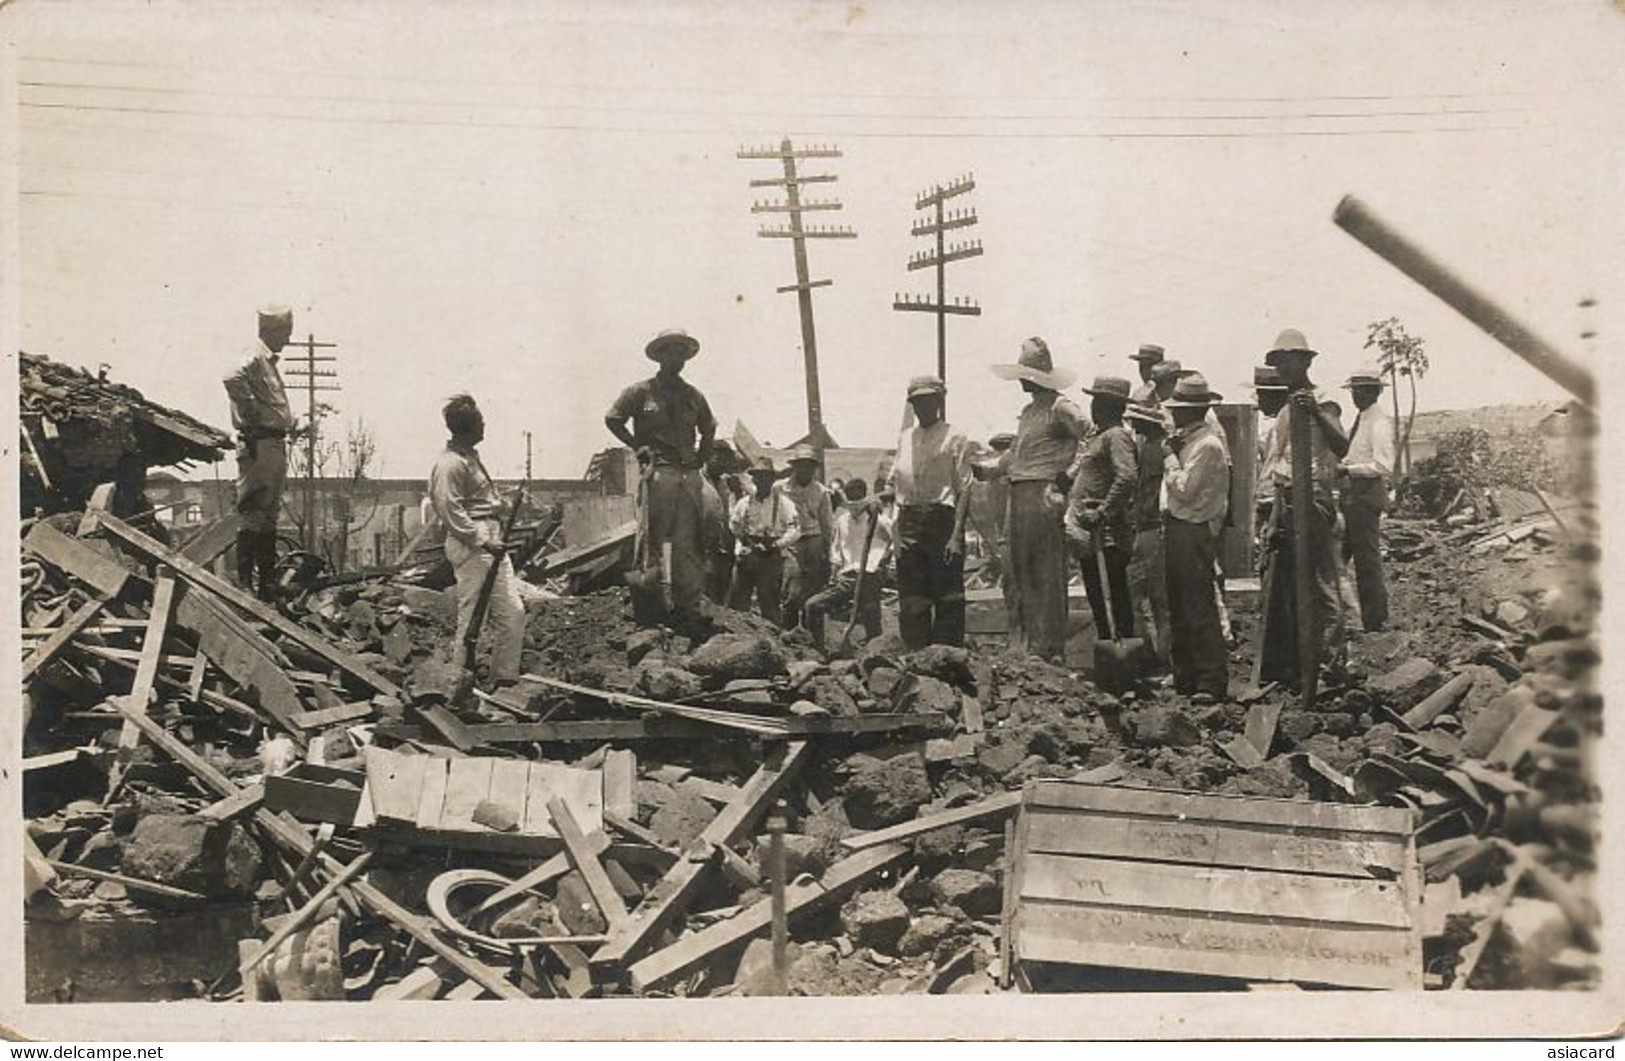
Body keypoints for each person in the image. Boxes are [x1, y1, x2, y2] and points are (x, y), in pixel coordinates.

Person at [605, 328, 716, 627]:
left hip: (688, 475)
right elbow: (613, 418)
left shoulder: (693, 395)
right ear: (660, 355)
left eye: (681, 352)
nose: (676, 358)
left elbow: (710, 427)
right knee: (650, 540)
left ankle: (687, 611)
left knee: (689, 544)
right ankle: (650, 615)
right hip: (658, 472)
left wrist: (701, 459)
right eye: (670, 351)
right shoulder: (641, 391)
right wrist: (636, 446)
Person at [984, 338, 1085, 662]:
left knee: (1047, 569)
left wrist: (1067, 475)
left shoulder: (1061, 407)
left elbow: (1092, 437)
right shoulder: (1029, 412)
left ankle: (1050, 646)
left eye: (1026, 375)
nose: (1022, 382)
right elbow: (1014, 455)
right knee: (1019, 567)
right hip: (1019, 490)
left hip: (1044, 491)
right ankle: (1026, 643)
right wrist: (988, 470)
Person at [1257, 329, 1349, 687]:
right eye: (1277, 362)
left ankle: (1331, 668)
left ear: (1306, 361)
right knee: (1290, 585)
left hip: (1314, 500)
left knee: (1321, 584)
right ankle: (1299, 666)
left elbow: (1341, 445)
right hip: (1288, 499)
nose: (1281, 368)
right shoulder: (1284, 411)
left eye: (1287, 361)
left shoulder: (1323, 400)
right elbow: (1278, 464)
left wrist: (1315, 411)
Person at [427, 394, 525, 685]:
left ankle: (504, 679)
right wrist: (482, 540)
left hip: (490, 541)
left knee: (513, 613)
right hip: (474, 545)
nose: (484, 427)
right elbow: (450, 510)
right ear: (467, 427)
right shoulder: (450, 464)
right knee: (471, 620)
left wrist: (503, 502)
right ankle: (457, 685)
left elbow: (478, 501)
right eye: (480, 422)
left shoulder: (470, 457)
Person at [1159, 374, 1232, 702]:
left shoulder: (1207, 445)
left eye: (1178, 409)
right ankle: (1185, 676)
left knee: (1198, 606)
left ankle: (1211, 681)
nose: (1173, 415)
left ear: (1193, 412)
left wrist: (1170, 460)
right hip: (1177, 528)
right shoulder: (1187, 442)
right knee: (1179, 606)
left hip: (1193, 529)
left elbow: (1185, 490)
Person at [887, 375, 972, 649]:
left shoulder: (954, 436)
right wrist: (895, 530)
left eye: (929, 401)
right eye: (918, 402)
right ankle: (916, 657)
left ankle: (946, 659)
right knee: (912, 598)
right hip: (909, 521)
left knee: (948, 597)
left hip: (941, 520)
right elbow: (894, 485)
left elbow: (964, 489)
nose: (924, 407)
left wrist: (956, 535)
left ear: (939, 402)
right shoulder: (905, 439)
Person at [222, 304, 298, 602]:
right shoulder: (253, 355)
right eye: (285, 333)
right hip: (259, 444)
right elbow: (231, 377)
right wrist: (251, 411)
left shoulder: (267, 362)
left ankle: (266, 584)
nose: (288, 340)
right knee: (254, 512)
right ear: (270, 331)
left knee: (269, 515)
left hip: (274, 443)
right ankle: (244, 582)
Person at [1065, 376, 1139, 641]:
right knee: (1098, 596)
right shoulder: (1098, 437)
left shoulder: (1116, 436)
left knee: (1113, 596)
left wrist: (1104, 510)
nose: (1093, 406)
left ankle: (1123, 653)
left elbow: (1127, 476)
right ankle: (1110, 647)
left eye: (1099, 401)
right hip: (1090, 533)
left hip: (1107, 535)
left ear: (1111, 406)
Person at [1339, 367, 1395, 632]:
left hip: (1366, 495)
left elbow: (1383, 465)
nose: (1356, 396)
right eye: (1354, 391)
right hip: (1353, 495)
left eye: (1362, 391)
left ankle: (1375, 621)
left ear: (1375, 392)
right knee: (1339, 558)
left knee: (1366, 562)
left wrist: (1348, 470)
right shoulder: (1362, 418)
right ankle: (1350, 618)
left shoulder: (1379, 422)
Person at [804, 478, 892, 645]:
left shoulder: (878, 519)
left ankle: (874, 649)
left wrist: (883, 560)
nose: (855, 506)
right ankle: (818, 647)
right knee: (813, 605)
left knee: (870, 612)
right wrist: (835, 571)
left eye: (858, 499)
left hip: (870, 575)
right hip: (847, 577)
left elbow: (895, 541)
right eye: (850, 499)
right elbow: (836, 550)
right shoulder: (842, 521)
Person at [1124, 401, 1171, 667]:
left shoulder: (1156, 450)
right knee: (1154, 599)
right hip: (1148, 527)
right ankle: (1155, 655)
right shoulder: (1152, 449)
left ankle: (1157, 657)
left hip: (1153, 528)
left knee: (1155, 598)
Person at [728, 457, 800, 625]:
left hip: (770, 556)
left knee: (769, 603)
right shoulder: (744, 503)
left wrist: (776, 544)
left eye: (766, 477)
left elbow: (796, 529)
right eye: (758, 477)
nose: (762, 481)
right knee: (738, 601)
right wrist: (742, 540)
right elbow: (734, 523)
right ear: (753, 479)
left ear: (772, 480)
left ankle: (773, 641)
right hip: (748, 553)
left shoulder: (784, 504)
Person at [776, 443, 834, 630]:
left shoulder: (821, 491)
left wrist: (828, 552)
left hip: (814, 540)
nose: (805, 469)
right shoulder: (779, 488)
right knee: (792, 589)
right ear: (794, 466)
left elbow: (827, 524)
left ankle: (814, 636)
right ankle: (790, 634)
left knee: (814, 590)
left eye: (809, 465)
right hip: (791, 542)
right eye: (801, 464)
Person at [700, 441, 744, 604]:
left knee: (723, 589)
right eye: (717, 459)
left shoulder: (726, 483)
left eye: (724, 460)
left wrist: (738, 491)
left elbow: (739, 511)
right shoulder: (695, 481)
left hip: (725, 547)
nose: (721, 464)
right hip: (703, 547)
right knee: (706, 589)